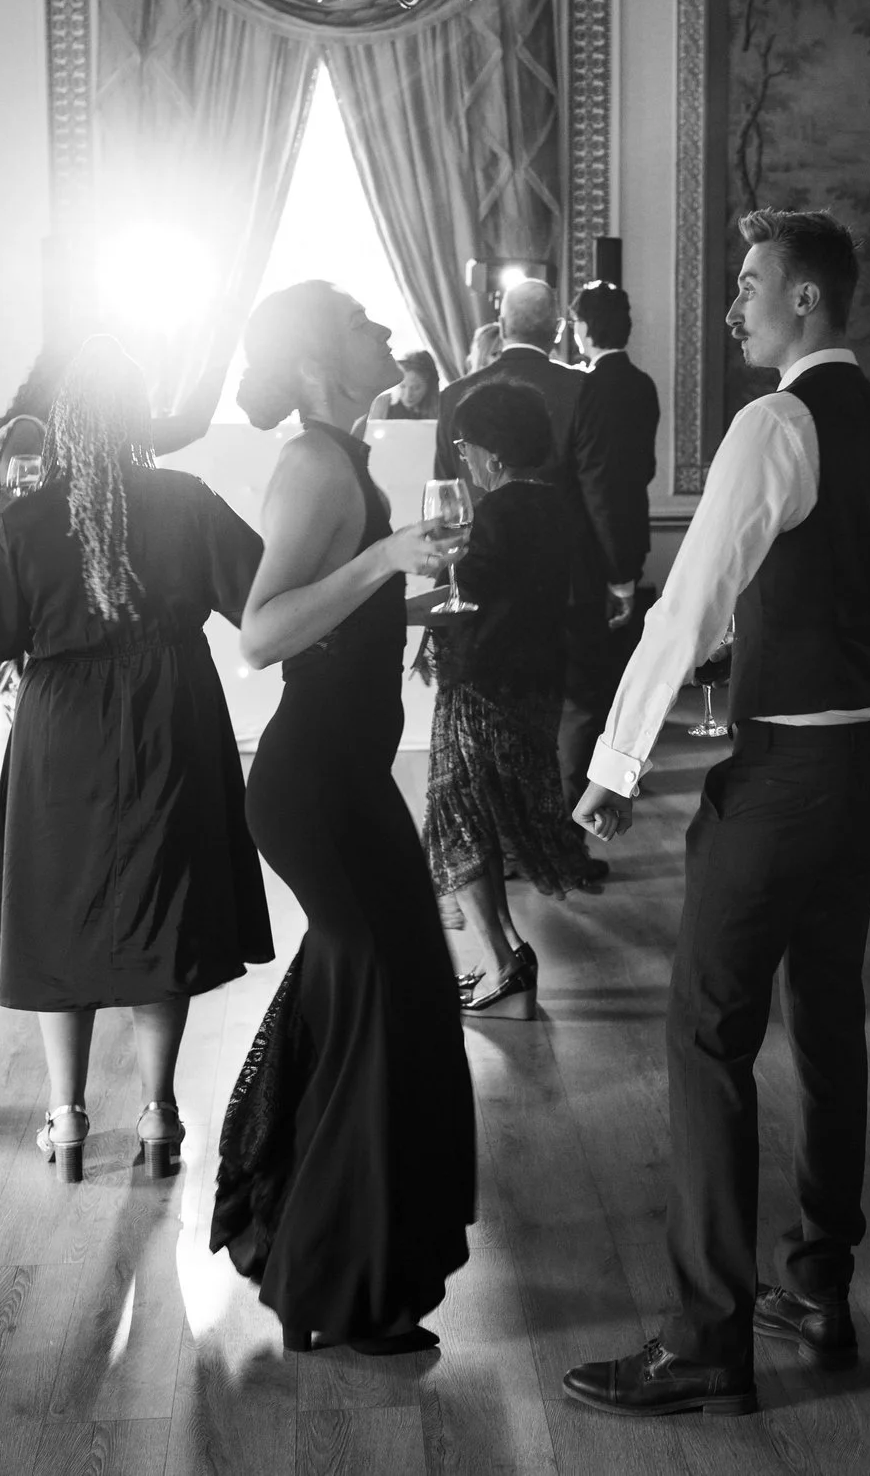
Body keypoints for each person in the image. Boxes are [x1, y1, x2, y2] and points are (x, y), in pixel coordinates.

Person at [564, 210, 870, 1416]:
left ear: (804, 300)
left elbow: (687, 604)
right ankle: (819, 1285)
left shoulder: (774, 422)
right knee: (828, 1017)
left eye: (747, 284)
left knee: (707, 1034)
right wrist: (821, 635)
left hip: (784, 774)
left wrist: (615, 762)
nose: (732, 305)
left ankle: (704, 1339)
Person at [211, 279, 475, 1356]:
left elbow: (340, 616)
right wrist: (385, 557)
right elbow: (261, 633)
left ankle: (306, 1240)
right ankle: (344, 1279)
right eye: (365, 324)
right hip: (314, 782)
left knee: (377, 996)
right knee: (385, 999)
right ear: (323, 358)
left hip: (344, 774)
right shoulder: (316, 464)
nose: (386, 334)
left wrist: (411, 595)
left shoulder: (345, 457)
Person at [0, 338, 271, 1183]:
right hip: (174, 712)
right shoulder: (186, 501)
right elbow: (260, 596)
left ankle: (66, 1116)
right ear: (139, 420)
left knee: (61, 907)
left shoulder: (28, 520)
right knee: (165, 902)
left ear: (62, 425)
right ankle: (159, 1110)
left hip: (63, 725)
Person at [422, 379, 601, 1019]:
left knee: (460, 818)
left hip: (485, 683)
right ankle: (506, 955)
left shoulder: (498, 511)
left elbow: (465, 593)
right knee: (482, 818)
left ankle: (501, 962)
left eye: (465, 446)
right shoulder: (555, 503)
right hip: (535, 682)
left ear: (492, 451)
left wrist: (390, 595)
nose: (463, 458)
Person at [435, 280, 618, 861]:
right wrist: (616, 574)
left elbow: (446, 498)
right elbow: (600, 489)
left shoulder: (455, 395)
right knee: (574, 705)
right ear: (557, 328)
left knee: (491, 715)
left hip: (482, 580)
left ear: (502, 323)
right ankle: (563, 840)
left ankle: (501, 842)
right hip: (566, 571)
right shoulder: (582, 388)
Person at [0, 340, 224, 714]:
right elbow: (20, 518)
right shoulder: (29, 434)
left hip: (56, 612)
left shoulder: (92, 441)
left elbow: (190, 427)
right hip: (26, 610)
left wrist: (223, 344)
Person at [571, 280, 662, 750]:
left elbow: (597, 483)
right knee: (624, 679)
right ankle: (625, 763)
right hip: (631, 535)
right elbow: (643, 469)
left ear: (584, 328)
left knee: (595, 685)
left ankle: (600, 773)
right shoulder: (642, 384)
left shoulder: (585, 387)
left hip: (595, 550)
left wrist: (618, 574)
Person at [366, 348, 443, 425]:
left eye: (416, 388)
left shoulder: (441, 407)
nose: (408, 395)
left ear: (429, 386)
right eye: (402, 386)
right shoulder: (383, 403)